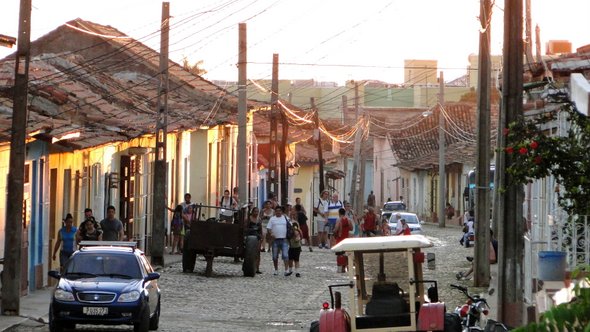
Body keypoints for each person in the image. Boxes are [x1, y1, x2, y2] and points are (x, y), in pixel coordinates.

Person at [266, 206, 291, 276]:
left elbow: (290, 226)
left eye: (279, 211)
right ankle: (276, 269)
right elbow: (268, 228)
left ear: (282, 212)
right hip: (275, 240)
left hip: (284, 239)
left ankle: (286, 270)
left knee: (285, 255)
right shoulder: (272, 219)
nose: (278, 212)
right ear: (275, 212)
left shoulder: (285, 218)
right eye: (277, 211)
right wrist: (271, 234)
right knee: (274, 256)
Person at [333, 208, 352, 273]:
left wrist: (334, 233)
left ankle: (339, 268)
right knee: (345, 254)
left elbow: (336, 229)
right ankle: (345, 267)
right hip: (346, 238)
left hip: (340, 238)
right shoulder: (348, 220)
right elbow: (351, 228)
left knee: (339, 254)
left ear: (339, 213)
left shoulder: (339, 220)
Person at [246, 207, 263, 274]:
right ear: (252, 212)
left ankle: (257, 268)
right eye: (255, 211)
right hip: (250, 236)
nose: (256, 213)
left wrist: (261, 237)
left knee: (258, 253)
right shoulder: (248, 219)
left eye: (257, 211)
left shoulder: (259, 219)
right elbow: (246, 227)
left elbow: (260, 229)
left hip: (257, 237)